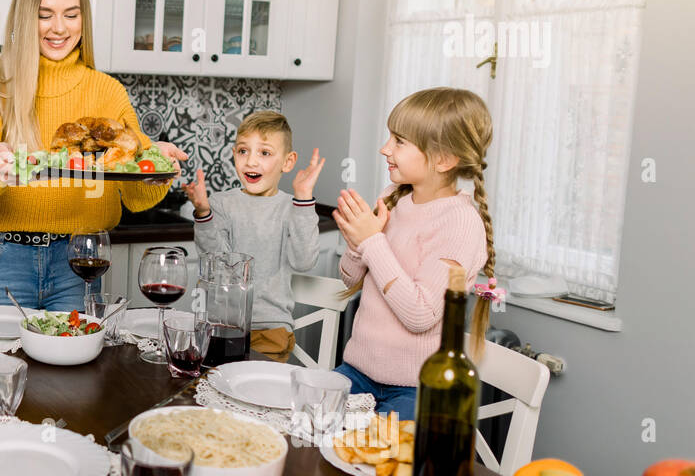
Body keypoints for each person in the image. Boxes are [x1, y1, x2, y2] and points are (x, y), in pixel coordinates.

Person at [0, 0, 187, 311]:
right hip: (3, 259)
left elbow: (135, 195)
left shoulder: (108, 91)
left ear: (83, 19)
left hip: (81, 262)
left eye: (71, 14)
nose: (58, 28)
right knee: (1, 364)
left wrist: (155, 167)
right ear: (23, 18)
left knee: (74, 366)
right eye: (44, 14)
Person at [332, 87, 495, 416]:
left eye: (399, 141)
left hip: (414, 390)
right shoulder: (396, 196)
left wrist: (372, 242)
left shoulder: (460, 223)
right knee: (307, 439)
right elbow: (350, 278)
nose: (385, 149)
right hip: (357, 373)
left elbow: (420, 315)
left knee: (376, 463)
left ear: (443, 159)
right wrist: (356, 242)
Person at [182, 111, 325, 362]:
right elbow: (215, 264)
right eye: (243, 151)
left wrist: (303, 197)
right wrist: (203, 213)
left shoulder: (293, 208)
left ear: (288, 162)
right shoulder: (220, 204)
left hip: (271, 330)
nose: (250, 162)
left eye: (265, 153)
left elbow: (304, 261)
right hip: (220, 326)